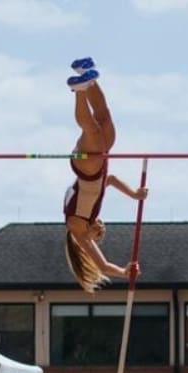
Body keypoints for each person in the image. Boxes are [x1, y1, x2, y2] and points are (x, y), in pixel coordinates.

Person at [63, 57, 148, 293]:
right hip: (99, 166)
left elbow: (102, 265)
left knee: (91, 129)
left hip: (86, 168)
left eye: (98, 231)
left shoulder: (78, 231)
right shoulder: (95, 207)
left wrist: (122, 272)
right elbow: (109, 180)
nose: (100, 225)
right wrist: (134, 194)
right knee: (105, 118)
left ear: (90, 237)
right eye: (102, 227)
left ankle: (79, 90)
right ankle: (85, 74)